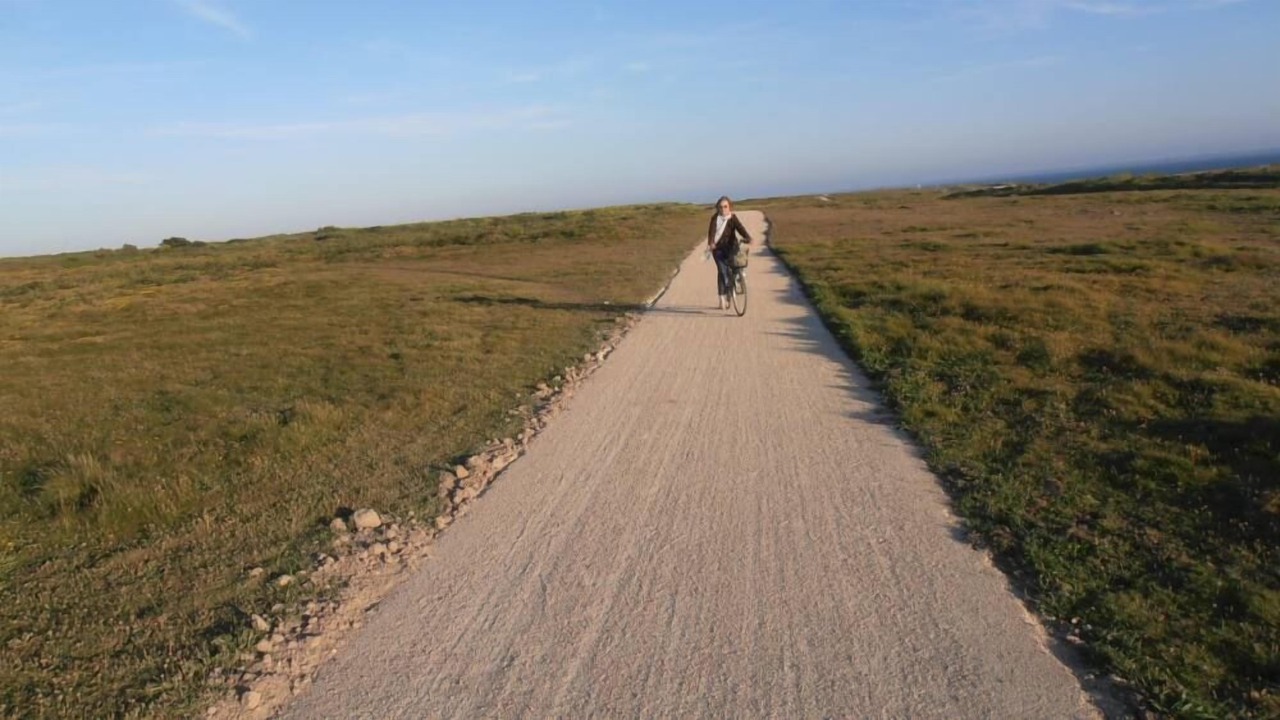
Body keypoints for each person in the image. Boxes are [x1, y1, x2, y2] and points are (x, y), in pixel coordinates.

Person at [706, 196, 752, 309]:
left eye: (725, 207)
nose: (723, 209)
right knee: (722, 271)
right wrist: (711, 242)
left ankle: (738, 279)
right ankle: (722, 298)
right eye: (720, 207)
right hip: (718, 249)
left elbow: (740, 228)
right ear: (717, 208)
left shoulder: (733, 218)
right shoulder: (714, 219)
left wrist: (748, 237)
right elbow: (711, 232)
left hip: (731, 247)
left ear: (729, 207)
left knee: (737, 265)